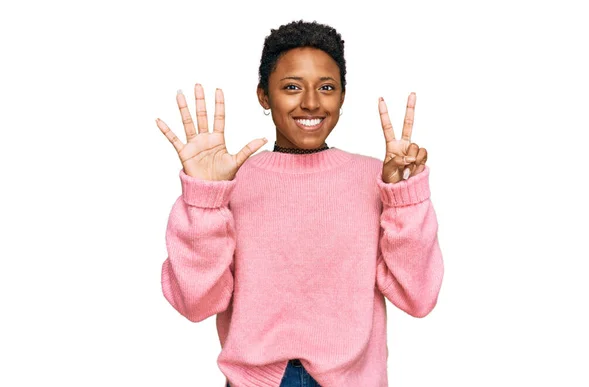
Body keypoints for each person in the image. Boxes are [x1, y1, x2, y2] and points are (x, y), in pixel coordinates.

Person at [156, 20, 444, 387]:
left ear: (342, 96)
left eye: (326, 87)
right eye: (292, 87)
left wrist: (404, 198)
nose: (310, 102)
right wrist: (203, 200)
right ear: (263, 95)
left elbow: (419, 298)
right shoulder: (228, 182)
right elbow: (194, 303)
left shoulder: (378, 180)